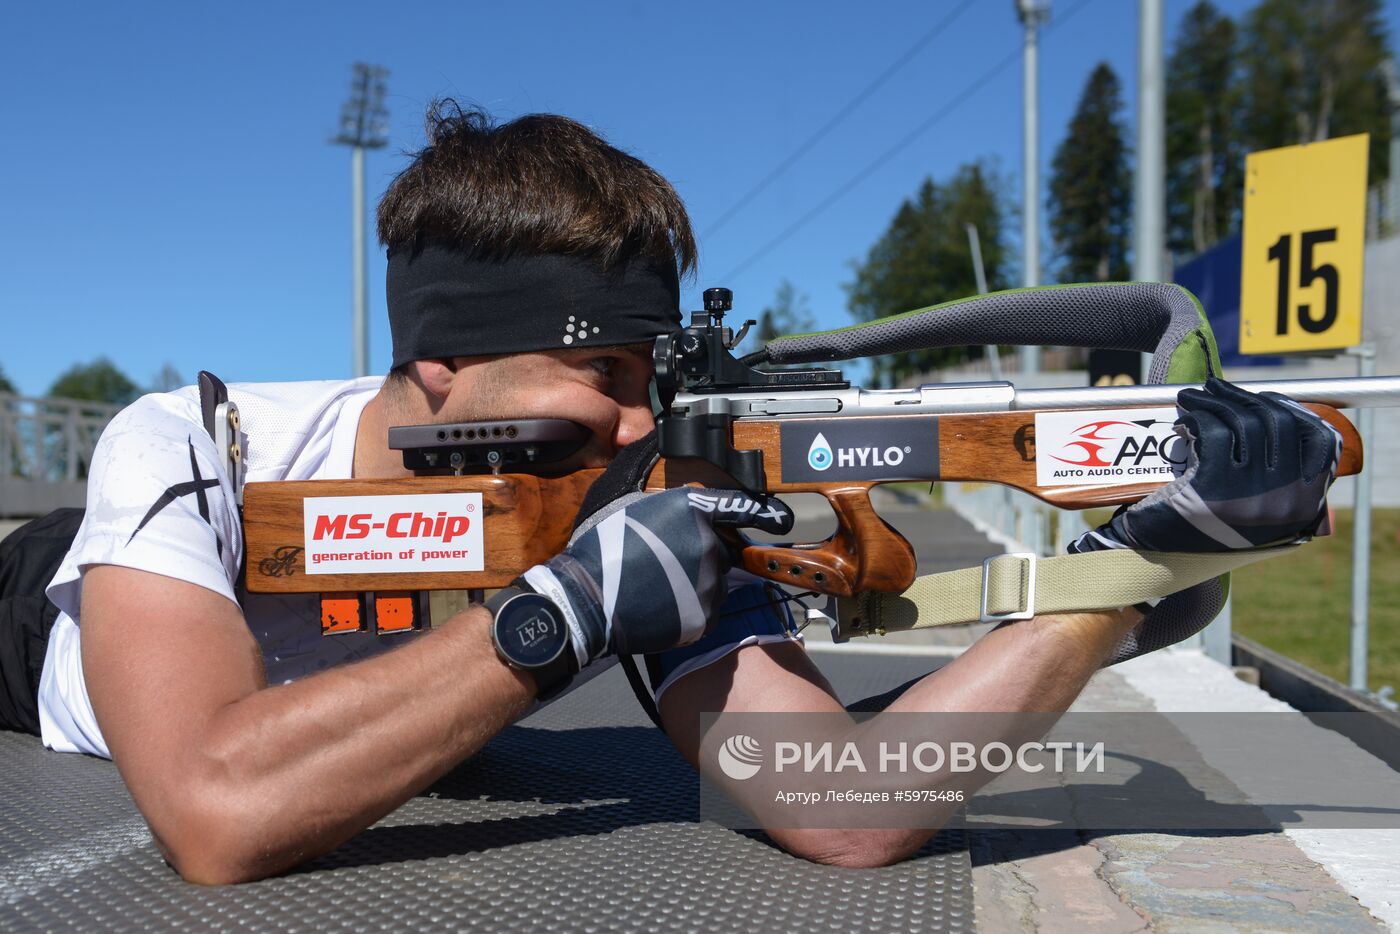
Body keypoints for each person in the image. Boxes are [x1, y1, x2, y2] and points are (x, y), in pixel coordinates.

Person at [3, 103, 1340, 884]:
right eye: (608, 379)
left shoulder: (624, 492)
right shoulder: (199, 445)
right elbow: (212, 809)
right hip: (36, 624)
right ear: (441, 363)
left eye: (658, 378)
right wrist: (557, 619)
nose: (645, 428)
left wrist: (1120, 578)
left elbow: (843, 797)